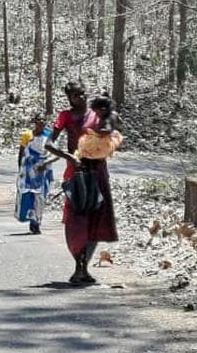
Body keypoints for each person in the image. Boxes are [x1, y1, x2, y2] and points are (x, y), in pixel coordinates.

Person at [41, 82, 119, 285]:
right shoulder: (65, 117)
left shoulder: (96, 113)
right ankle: (78, 264)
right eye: (77, 95)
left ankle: (84, 268)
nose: (82, 97)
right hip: (76, 173)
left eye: (83, 93)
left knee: (96, 219)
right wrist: (68, 156)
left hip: (98, 171)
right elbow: (49, 143)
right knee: (77, 222)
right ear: (69, 97)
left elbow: (111, 127)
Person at [15, 115, 53, 234]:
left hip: (43, 170)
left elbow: (53, 152)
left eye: (43, 122)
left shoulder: (49, 135)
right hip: (28, 172)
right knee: (29, 196)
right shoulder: (27, 135)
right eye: (39, 122)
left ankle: (37, 221)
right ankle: (32, 220)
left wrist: (48, 165)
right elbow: (22, 153)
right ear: (35, 123)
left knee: (41, 196)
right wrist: (20, 170)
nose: (41, 124)